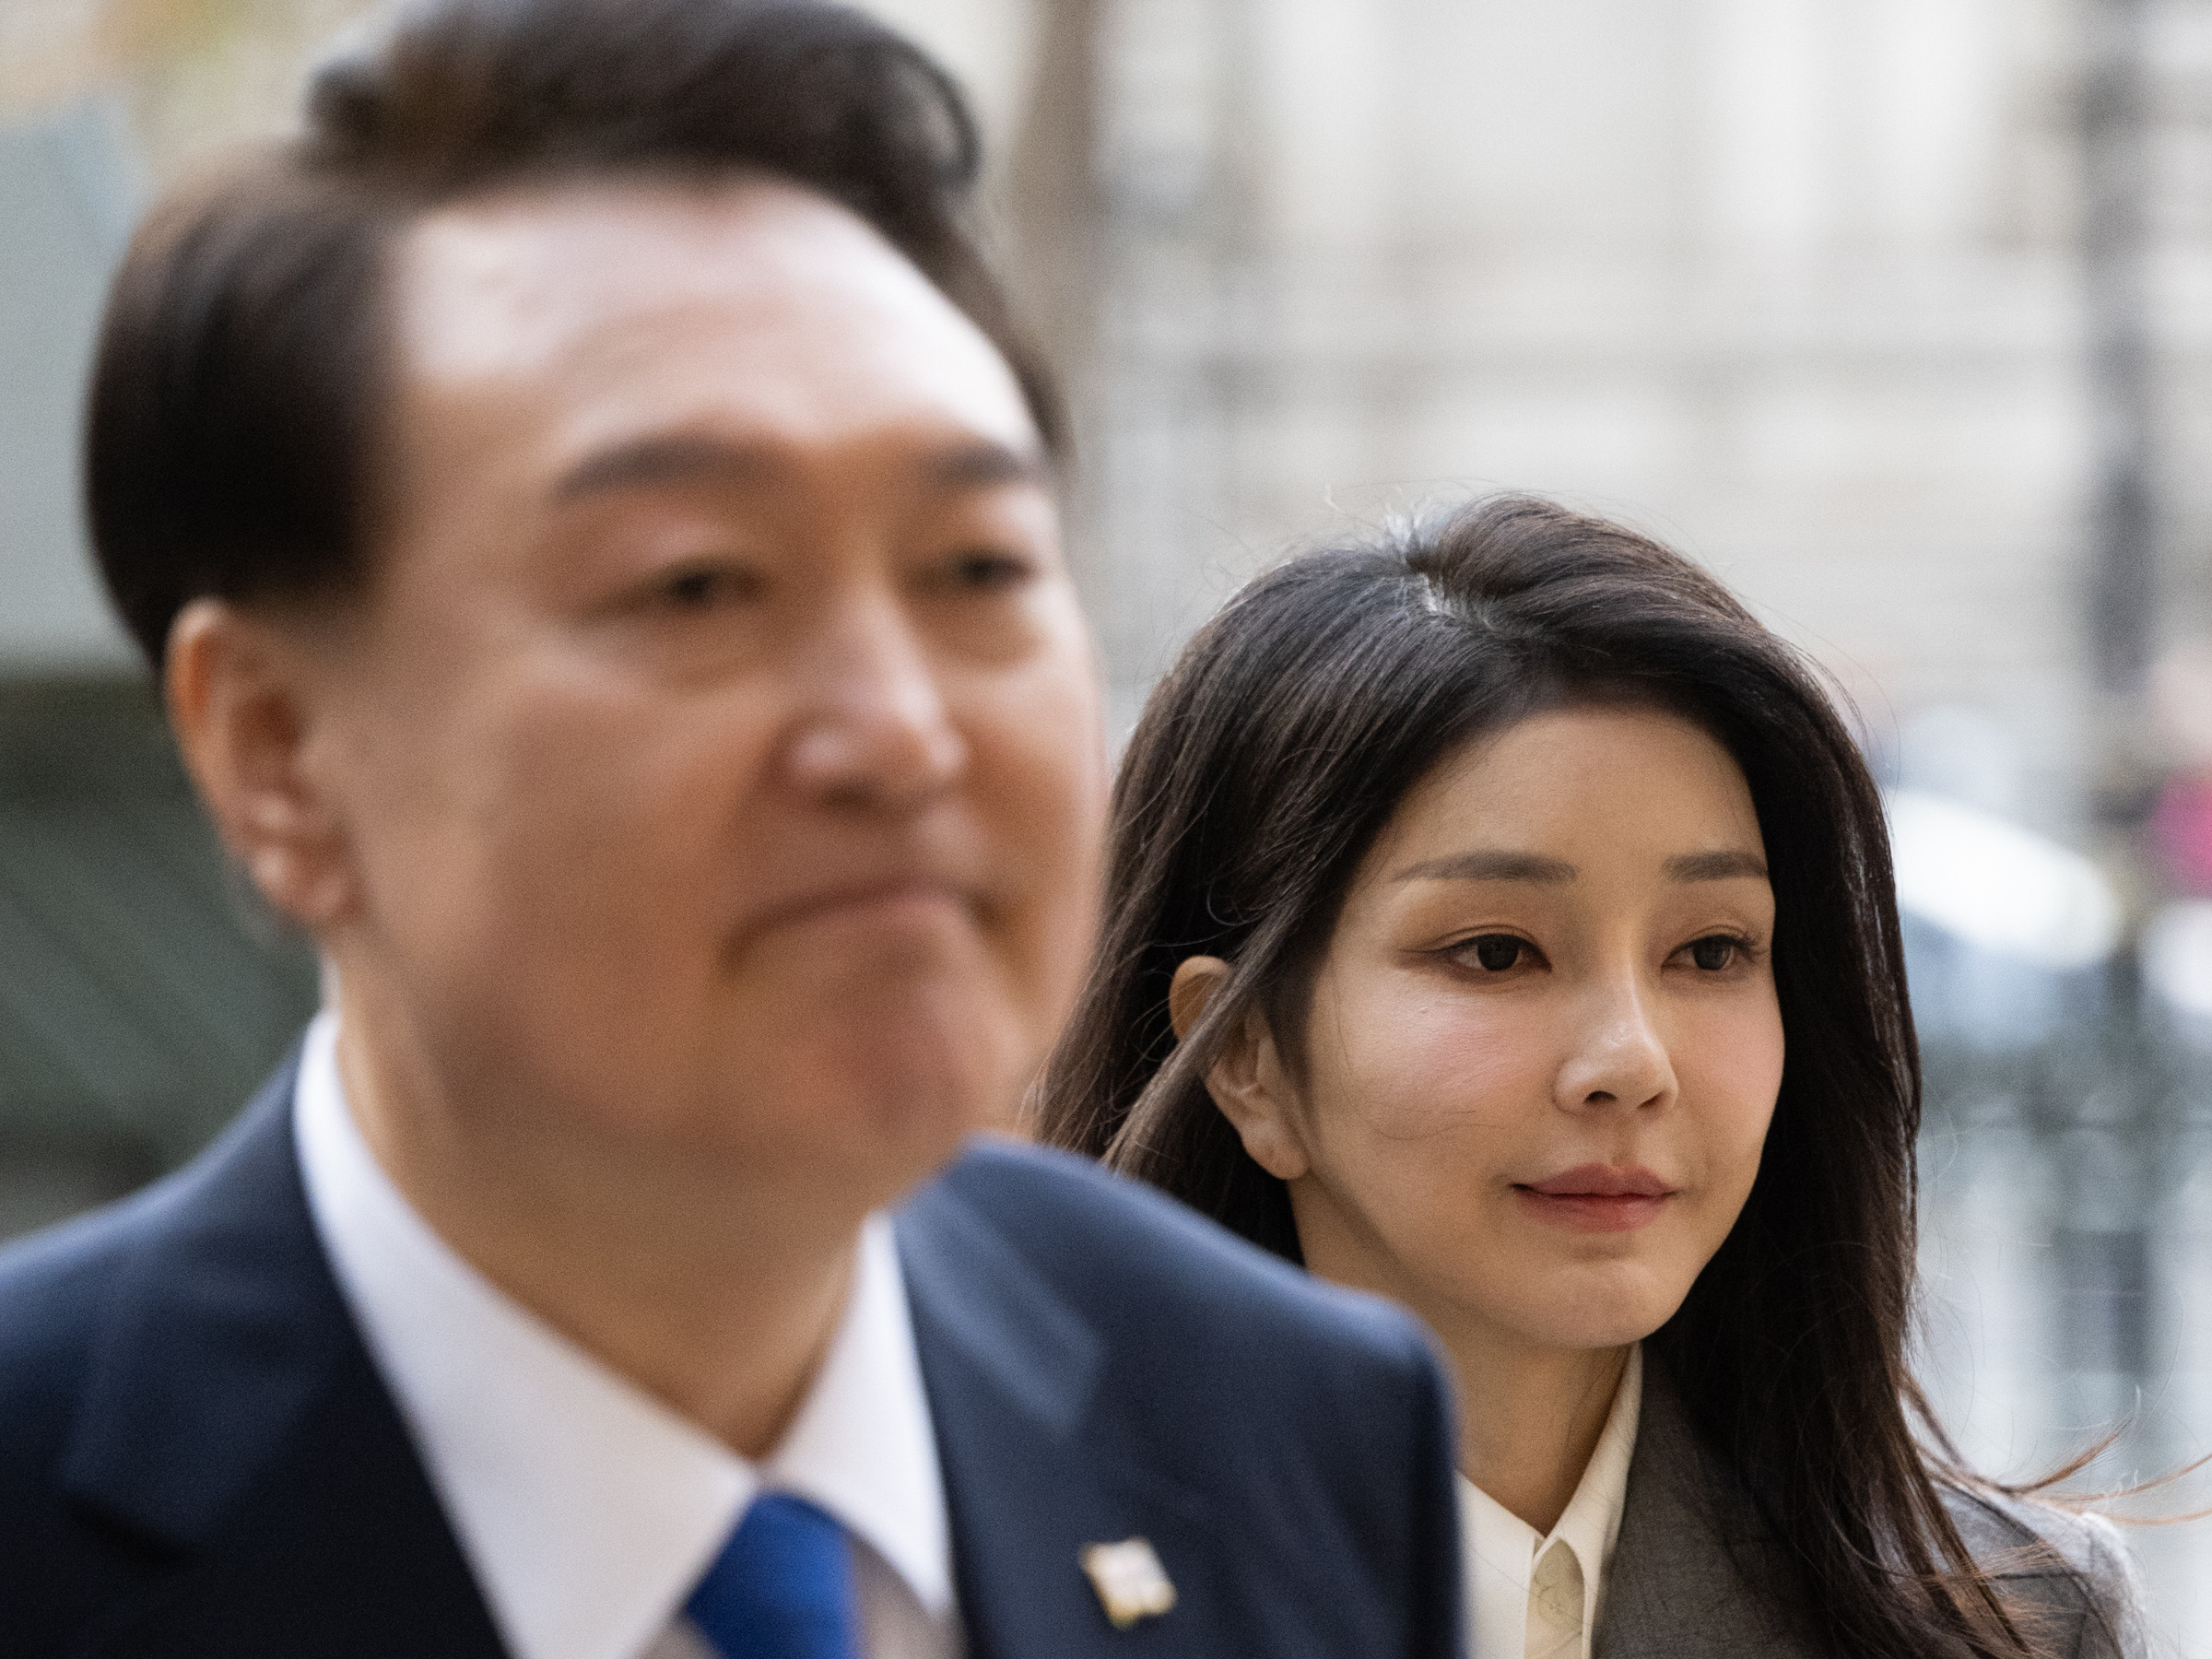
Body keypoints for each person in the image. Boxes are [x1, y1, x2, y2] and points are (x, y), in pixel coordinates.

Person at [0, 3, 1464, 1655]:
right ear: (276, 750)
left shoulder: (1287, 1432)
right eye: (697, 585)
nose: (900, 734)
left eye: (975, 570)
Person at [1036, 495, 2145, 1659]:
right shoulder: (969, 1598)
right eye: (1497, 952)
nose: (1632, 1061)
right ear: (1248, 1053)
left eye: (1710, 951)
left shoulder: (2007, 1627)